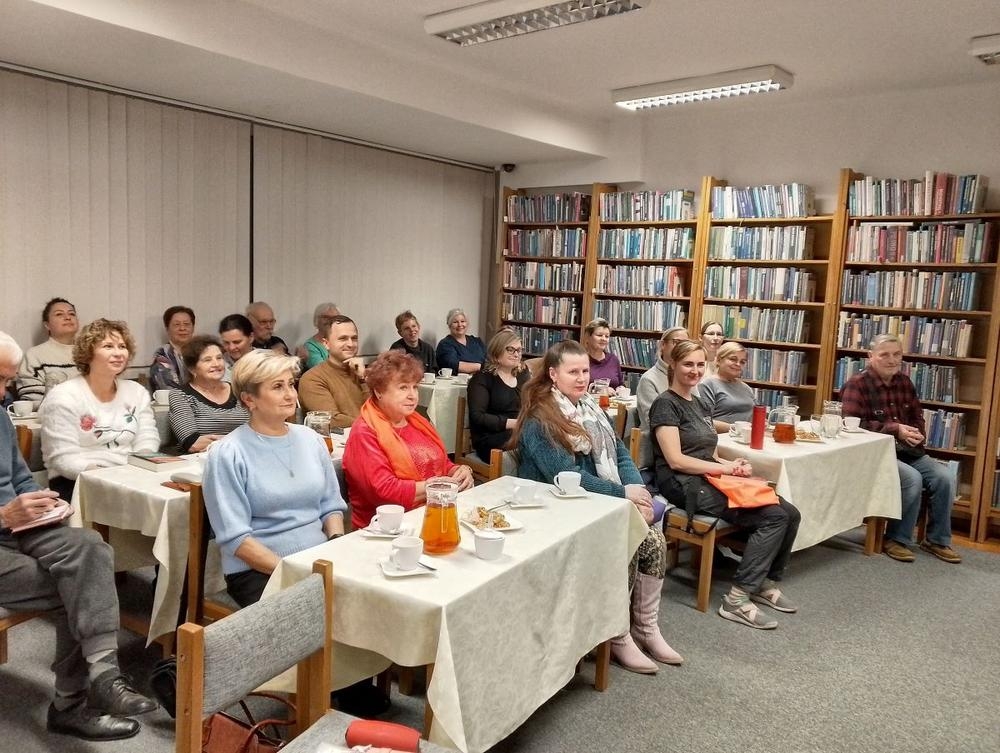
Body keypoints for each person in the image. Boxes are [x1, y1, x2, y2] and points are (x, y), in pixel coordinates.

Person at [0, 331, 157, 740]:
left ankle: (103, 676)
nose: (4, 393)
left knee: (91, 548)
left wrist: (38, 501)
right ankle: (73, 703)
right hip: (3, 530)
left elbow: (18, 478)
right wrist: (3, 513)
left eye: (7, 382)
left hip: (18, 528)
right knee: (82, 585)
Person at [510, 340, 682, 673]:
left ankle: (644, 627)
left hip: (598, 501)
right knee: (632, 539)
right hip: (558, 507)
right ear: (553, 374)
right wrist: (622, 496)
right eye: (572, 371)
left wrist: (637, 490)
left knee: (652, 539)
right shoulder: (539, 418)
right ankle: (617, 634)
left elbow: (618, 453)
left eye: (585, 370)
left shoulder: (590, 406)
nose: (581, 378)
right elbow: (565, 476)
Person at [649, 340, 801, 630]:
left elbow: (709, 449)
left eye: (699, 364)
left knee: (790, 513)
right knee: (773, 517)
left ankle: (764, 581)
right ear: (674, 366)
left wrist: (734, 469)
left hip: (708, 475)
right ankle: (738, 598)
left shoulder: (701, 403)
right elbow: (677, 460)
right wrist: (723, 468)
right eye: (688, 364)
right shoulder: (665, 404)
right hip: (683, 482)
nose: (695, 370)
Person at [203, 350, 347, 607]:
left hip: (315, 558)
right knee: (325, 613)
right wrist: (291, 571)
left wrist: (335, 545)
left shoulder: (311, 439)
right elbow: (235, 539)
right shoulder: (228, 453)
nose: (291, 394)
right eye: (278, 387)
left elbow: (331, 505)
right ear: (250, 399)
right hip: (259, 570)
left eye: (291, 384)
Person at [840, 334, 961, 564]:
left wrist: (916, 433)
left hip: (909, 451)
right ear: (870, 357)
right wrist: (895, 429)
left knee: (945, 478)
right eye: (884, 354)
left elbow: (916, 416)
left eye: (897, 354)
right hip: (876, 455)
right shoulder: (857, 385)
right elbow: (851, 424)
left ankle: (937, 540)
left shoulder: (904, 382)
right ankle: (896, 539)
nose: (892, 360)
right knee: (911, 479)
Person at [343, 350, 473, 529]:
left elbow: (439, 463)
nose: (413, 395)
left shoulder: (417, 421)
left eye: (415, 387)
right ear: (379, 391)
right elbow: (384, 491)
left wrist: (458, 471)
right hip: (385, 529)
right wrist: (434, 486)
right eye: (403, 387)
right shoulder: (364, 432)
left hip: (430, 515)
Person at [40, 319, 159, 499]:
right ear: (88, 353)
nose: (118, 353)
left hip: (131, 475)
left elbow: (147, 438)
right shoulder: (63, 395)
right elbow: (62, 458)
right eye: (108, 346)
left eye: (122, 346)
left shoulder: (137, 392)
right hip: (78, 479)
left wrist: (140, 468)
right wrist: (105, 477)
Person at [168, 335, 249, 453]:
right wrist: (241, 440)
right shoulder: (181, 395)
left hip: (246, 455)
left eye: (219, 358)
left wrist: (219, 441)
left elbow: (259, 430)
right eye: (207, 360)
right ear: (192, 369)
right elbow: (192, 443)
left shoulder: (238, 390)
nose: (216, 364)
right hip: (201, 462)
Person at [467, 329, 529, 460]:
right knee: (533, 439)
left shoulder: (523, 374)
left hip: (519, 430)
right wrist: (514, 423)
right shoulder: (482, 378)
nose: (516, 354)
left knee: (547, 433)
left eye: (519, 350)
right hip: (489, 438)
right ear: (497, 352)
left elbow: (532, 403)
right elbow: (478, 417)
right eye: (511, 349)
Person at [298, 315, 369, 428]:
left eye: (354, 338)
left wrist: (363, 379)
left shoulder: (362, 372)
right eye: (343, 338)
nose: (350, 344)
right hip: (337, 442)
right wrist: (374, 425)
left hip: (372, 437)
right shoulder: (312, 378)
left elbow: (379, 410)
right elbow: (332, 420)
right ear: (326, 343)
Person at [635, 326, 689, 468]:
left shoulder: (689, 377)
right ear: (663, 345)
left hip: (689, 444)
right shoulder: (649, 379)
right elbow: (654, 421)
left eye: (685, 344)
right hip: (658, 451)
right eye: (677, 342)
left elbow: (698, 415)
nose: (681, 348)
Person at [17, 297, 79, 408]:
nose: (68, 317)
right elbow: (31, 400)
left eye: (72, 314)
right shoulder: (34, 355)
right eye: (59, 314)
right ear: (47, 325)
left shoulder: (92, 354)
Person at [698, 341, 756, 429]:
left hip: (746, 438)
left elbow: (755, 415)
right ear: (718, 360)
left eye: (742, 362)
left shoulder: (746, 388)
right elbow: (704, 421)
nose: (738, 364)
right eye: (733, 359)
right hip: (721, 439)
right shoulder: (708, 384)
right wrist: (736, 428)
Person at [148, 305, 195, 391]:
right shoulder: (161, 356)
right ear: (167, 329)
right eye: (177, 324)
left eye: (187, 324)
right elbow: (170, 391)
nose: (182, 328)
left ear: (193, 327)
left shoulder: (201, 352)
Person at [435, 308, 485, 375]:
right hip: (455, 383)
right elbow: (454, 365)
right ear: (449, 325)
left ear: (467, 323)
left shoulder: (477, 341)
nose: (460, 325)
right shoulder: (445, 344)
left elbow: (489, 361)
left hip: (480, 380)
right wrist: (481, 366)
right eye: (455, 322)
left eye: (462, 321)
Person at [583, 317, 623, 390]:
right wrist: (601, 391)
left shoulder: (613, 359)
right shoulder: (581, 360)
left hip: (613, 401)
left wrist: (621, 389)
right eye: (599, 335)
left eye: (607, 336)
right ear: (588, 337)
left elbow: (620, 384)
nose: (604, 339)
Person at [302, 302, 340, 370]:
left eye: (334, 318)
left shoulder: (342, 341)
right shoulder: (310, 346)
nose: (330, 321)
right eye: (325, 317)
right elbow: (324, 371)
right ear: (316, 320)